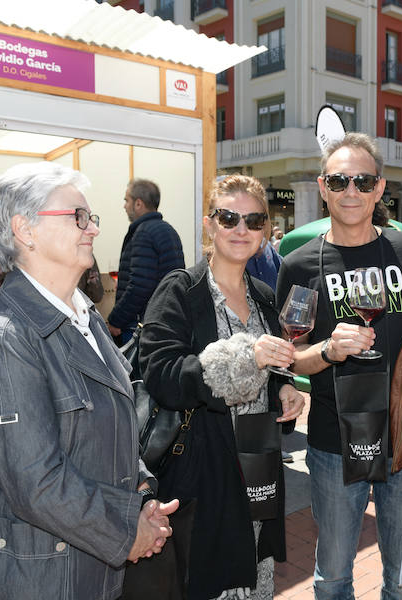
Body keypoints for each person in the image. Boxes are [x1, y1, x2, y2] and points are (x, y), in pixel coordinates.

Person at [0, 162, 176, 599]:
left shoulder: (84, 315)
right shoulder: (5, 337)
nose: (93, 228)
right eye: (77, 216)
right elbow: (35, 482)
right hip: (41, 577)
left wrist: (142, 494)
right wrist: (125, 530)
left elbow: (112, 430)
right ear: (25, 230)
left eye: (91, 217)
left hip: (91, 566)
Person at [276, 132, 402, 599]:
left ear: (379, 188)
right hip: (333, 442)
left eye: (362, 181)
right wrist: (329, 350)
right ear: (323, 186)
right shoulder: (300, 265)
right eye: (339, 180)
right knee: (331, 577)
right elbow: (294, 358)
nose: (351, 191)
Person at [138, 174, 305, 600]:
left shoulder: (266, 296)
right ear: (209, 225)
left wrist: (282, 390)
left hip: (258, 465)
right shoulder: (180, 291)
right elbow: (160, 373)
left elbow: (274, 368)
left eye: (253, 220)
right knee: (210, 581)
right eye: (228, 217)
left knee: (256, 575)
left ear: (265, 229)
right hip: (203, 469)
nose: (241, 229)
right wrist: (245, 358)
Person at [108, 179, 184, 345]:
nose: (124, 206)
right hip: (165, 322)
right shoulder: (168, 230)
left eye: (126, 200)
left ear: (138, 203)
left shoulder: (143, 233)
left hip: (140, 327)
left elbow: (140, 286)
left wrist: (115, 320)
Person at [0, 247, 104, 307]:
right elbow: (96, 294)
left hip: (20, 331)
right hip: (72, 326)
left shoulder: (6, 248)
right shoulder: (82, 249)